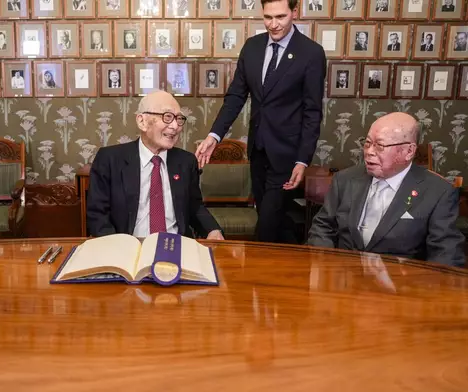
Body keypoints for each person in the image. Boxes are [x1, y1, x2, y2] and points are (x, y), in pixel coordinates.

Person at [195, 0, 326, 244]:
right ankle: (282, 272)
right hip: (258, 151)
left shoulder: (311, 53)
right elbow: (235, 96)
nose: (273, 24)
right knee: (272, 219)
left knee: (268, 221)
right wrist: (214, 136)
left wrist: (302, 159)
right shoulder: (252, 47)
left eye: (280, 17)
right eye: (267, 17)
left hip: (287, 155)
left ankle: (256, 275)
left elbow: (312, 111)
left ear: (294, 13)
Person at [307, 112, 465, 267]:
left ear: (409, 151)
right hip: (344, 278)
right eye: (367, 143)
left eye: (380, 146)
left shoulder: (438, 192)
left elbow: (446, 252)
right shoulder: (345, 179)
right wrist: (324, 264)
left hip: (401, 285)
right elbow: (323, 226)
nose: (369, 152)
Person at [86, 91, 224, 240]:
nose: (175, 126)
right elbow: (97, 215)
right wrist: (118, 248)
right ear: (142, 122)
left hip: (175, 245)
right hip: (129, 247)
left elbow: (194, 207)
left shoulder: (186, 162)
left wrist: (212, 230)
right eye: (167, 117)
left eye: (179, 119)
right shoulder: (110, 159)